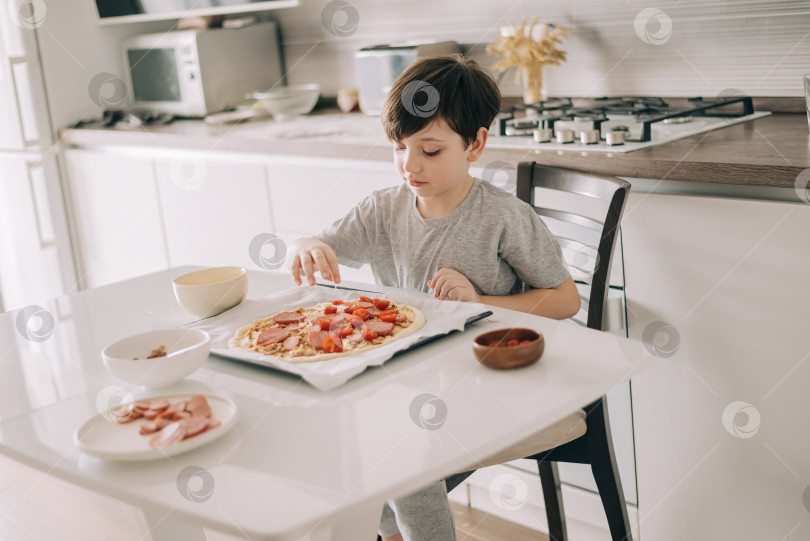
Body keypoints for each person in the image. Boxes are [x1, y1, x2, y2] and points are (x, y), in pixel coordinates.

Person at [288, 55, 581, 541]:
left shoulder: (502, 217)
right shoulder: (383, 210)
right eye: (399, 148)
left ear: (476, 145)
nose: (410, 165)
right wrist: (307, 246)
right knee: (362, 458)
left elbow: (565, 300)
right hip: (417, 381)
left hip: (493, 382)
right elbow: (317, 242)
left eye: (429, 149)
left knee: (402, 460)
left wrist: (480, 301)